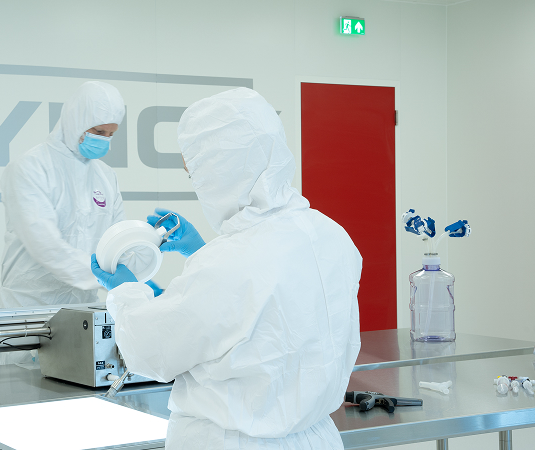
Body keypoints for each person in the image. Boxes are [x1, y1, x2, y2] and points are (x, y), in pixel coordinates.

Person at [91, 88, 362, 449]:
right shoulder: (330, 235)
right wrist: (202, 251)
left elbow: (148, 353)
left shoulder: (226, 263)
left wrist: (126, 292)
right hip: (317, 438)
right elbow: (268, 306)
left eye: (195, 174)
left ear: (220, 172)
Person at [0, 81, 126, 368]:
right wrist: (101, 275)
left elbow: (117, 237)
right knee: (15, 398)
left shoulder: (105, 177)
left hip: (82, 315)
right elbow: (44, 244)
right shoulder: (30, 168)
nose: (104, 140)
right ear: (76, 122)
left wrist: (136, 268)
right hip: (27, 312)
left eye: (111, 134)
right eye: (98, 132)